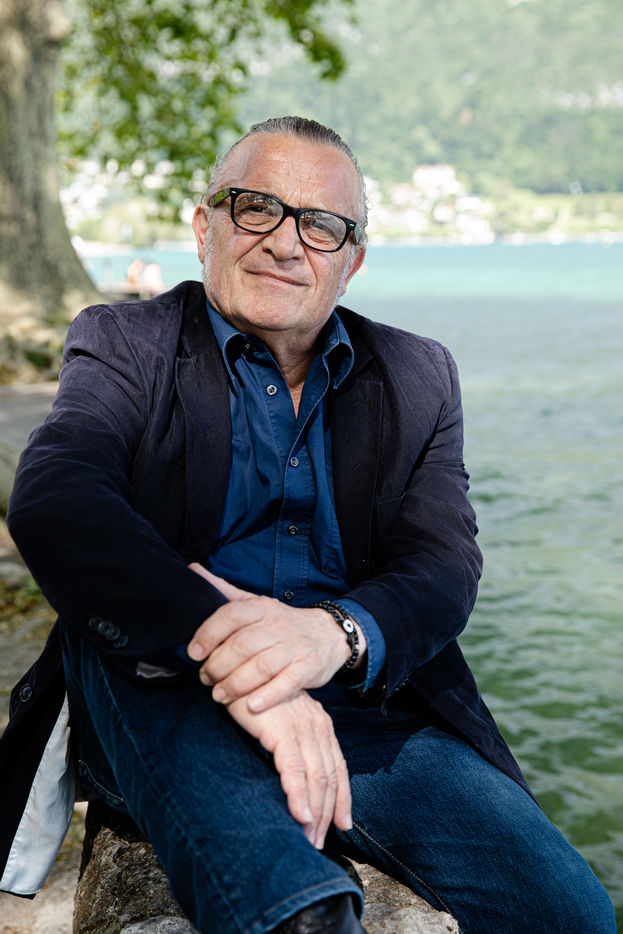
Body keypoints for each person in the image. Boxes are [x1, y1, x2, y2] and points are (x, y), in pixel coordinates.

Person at [0, 117, 616, 934]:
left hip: (363, 707)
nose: (285, 243)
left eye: (321, 225)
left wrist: (332, 636)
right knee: (299, 909)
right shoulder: (125, 341)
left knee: (569, 912)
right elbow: (58, 497)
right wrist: (228, 641)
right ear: (205, 227)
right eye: (256, 207)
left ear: (351, 262)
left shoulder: (418, 373)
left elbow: (442, 564)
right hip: (164, 684)